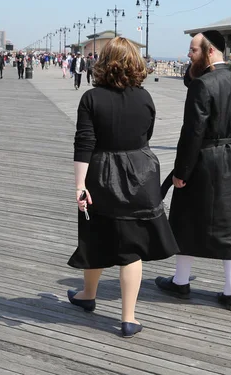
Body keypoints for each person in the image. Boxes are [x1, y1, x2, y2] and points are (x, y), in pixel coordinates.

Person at [67, 37, 179, 338]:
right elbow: (147, 134)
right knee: (131, 247)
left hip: (102, 173)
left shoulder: (91, 99)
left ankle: (87, 296)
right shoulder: (145, 98)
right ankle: (128, 318)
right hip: (141, 173)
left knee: (96, 236)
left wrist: (80, 185)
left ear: (104, 62)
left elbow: (84, 143)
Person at [155, 30, 231, 313]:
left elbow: (192, 133)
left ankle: (180, 282)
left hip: (205, 160)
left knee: (186, 218)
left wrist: (181, 171)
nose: (189, 55)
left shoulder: (203, 85)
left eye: (193, 50)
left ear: (210, 51)